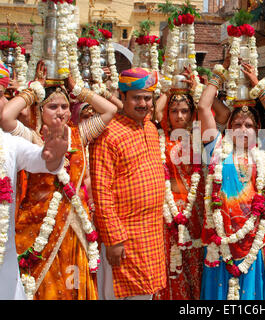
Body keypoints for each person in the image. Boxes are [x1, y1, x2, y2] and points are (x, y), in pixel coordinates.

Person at [2, 61, 117, 300]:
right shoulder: (31, 136)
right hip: (37, 230)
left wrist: (79, 90)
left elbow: (109, 111)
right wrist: (34, 90)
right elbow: (6, 116)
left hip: (74, 231)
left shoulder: (79, 134)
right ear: (40, 110)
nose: (61, 112)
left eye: (65, 106)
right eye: (52, 106)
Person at [198, 61, 265, 300]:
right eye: (237, 124)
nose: (242, 129)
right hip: (221, 241)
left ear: (257, 129)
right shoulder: (216, 148)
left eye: (249, 125)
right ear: (228, 129)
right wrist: (220, 71)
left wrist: (258, 88)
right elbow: (203, 106)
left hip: (253, 242)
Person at [90, 68, 166, 300]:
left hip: (151, 233)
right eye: (136, 97)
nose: (143, 103)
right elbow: (101, 192)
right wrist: (113, 240)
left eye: (147, 98)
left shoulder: (151, 129)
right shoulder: (108, 133)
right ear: (122, 97)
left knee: (146, 293)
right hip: (124, 238)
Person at [0, 61, 69, 300]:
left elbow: (40, 160)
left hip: (3, 271)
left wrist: (54, 154)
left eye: (1, 95)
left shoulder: (8, 143)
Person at [153, 67, 205, 300]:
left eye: (185, 110)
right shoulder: (159, 139)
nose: (179, 116)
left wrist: (197, 89)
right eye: (174, 111)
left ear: (192, 113)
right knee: (170, 262)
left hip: (195, 212)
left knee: (194, 260)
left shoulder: (201, 139)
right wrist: (170, 85)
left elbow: (217, 115)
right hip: (167, 213)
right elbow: (155, 109)